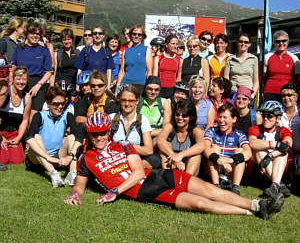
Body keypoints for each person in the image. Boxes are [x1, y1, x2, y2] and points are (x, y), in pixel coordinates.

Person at [64, 111, 285, 221]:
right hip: (145, 191)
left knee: (210, 190)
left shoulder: (122, 146)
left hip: (157, 176)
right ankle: (250, 212)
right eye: (95, 134)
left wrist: (114, 191)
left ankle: (257, 205)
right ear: (89, 135)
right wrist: (75, 194)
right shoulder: (87, 158)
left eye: (103, 132)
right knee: (200, 203)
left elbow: (139, 170)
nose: (100, 138)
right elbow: (80, 185)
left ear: (108, 132)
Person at [26, 86, 84, 187]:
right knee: (36, 137)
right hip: (38, 159)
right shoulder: (39, 116)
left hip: (57, 156)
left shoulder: (67, 115)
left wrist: (70, 156)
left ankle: (72, 173)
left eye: (62, 103)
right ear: (48, 103)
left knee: (72, 137)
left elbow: (79, 136)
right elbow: (29, 138)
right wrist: (47, 157)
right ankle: (53, 173)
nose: (60, 106)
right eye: (56, 104)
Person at [204, 103, 252, 195]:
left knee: (240, 151)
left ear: (234, 119)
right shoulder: (212, 130)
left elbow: (248, 153)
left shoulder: (239, 134)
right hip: (214, 167)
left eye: (225, 117)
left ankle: (235, 187)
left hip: (230, 169)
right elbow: (205, 148)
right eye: (220, 117)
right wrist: (219, 160)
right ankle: (216, 185)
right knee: (214, 148)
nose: (221, 120)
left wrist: (228, 160)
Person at [109, 85, 161, 169]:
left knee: (155, 159)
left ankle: (129, 168)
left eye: (131, 101)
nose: (127, 104)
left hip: (135, 158)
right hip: (115, 158)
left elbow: (148, 150)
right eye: (124, 100)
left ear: (137, 101)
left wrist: (127, 146)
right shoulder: (111, 118)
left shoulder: (143, 120)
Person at [248, 101, 292, 198]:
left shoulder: (284, 130)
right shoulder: (255, 128)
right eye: (264, 115)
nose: (265, 119)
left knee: (283, 154)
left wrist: (270, 155)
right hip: (259, 170)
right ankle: (279, 184)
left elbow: (287, 144)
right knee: (259, 151)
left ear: (278, 118)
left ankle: (275, 185)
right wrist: (275, 144)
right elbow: (253, 143)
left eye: (269, 116)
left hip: (276, 166)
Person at [12, 21, 53, 121]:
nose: (35, 36)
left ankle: (31, 136)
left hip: (37, 85)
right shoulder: (19, 49)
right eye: (33, 33)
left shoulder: (44, 50)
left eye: (38, 34)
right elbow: (13, 67)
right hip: (20, 83)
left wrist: (38, 85)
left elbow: (49, 72)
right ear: (27, 34)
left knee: (33, 116)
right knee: (20, 114)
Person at [157, 99, 203, 176]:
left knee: (196, 156)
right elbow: (160, 141)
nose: (180, 118)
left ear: (191, 117)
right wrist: (174, 157)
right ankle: (168, 178)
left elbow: (201, 145)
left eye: (184, 115)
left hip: (188, 165)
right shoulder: (169, 126)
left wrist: (180, 155)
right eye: (177, 114)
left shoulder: (195, 130)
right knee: (165, 146)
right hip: (171, 162)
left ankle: (185, 183)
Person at [0, 67, 31, 165]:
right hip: (1, 132)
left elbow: (25, 120)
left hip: (14, 133)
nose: (21, 82)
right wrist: (1, 137)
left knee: (17, 161)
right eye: (18, 79)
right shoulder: (5, 93)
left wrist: (18, 138)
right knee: (3, 160)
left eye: (24, 79)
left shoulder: (27, 97)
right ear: (12, 79)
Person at [116, 25, 152, 95]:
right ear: (130, 35)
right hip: (125, 84)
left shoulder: (147, 50)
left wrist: (149, 86)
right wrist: (118, 87)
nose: (136, 36)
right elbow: (122, 71)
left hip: (141, 84)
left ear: (142, 36)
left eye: (139, 34)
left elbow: (149, 71)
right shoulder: (125, 51)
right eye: (134, 34)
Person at [264, 30, 298, 102]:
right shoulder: (267, 57)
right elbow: (262, 77)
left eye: (284, 41)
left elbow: (297, 79)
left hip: (287, 94)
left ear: (288, 42)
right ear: (274, 43)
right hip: (270, 92)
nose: (281, 43)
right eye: (278, 41)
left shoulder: (294, 58)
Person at [224, 33, 259, 98]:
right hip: (233, 93)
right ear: (237, 43)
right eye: (241, 42)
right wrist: (228, 92)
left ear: (249, 44)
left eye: (246, 42)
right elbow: (226, 79)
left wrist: (253, 94)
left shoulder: (254, 59)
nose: (243, 44)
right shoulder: (230, 59)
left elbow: (256, 81)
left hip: (247, 93)